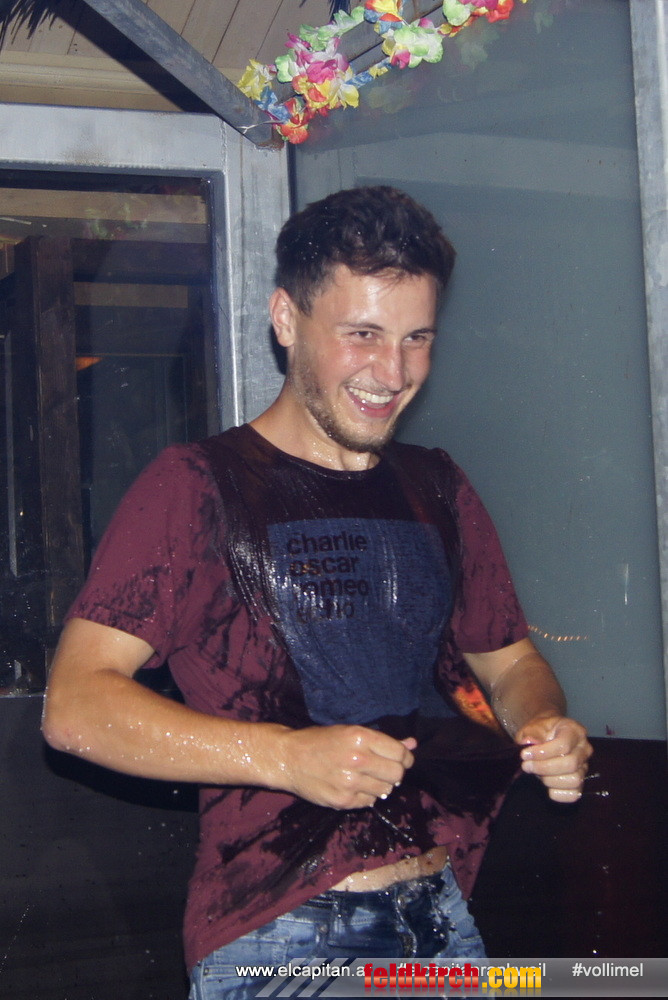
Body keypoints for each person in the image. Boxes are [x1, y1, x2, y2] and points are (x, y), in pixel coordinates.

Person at [42, 186, 592, 998]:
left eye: (415, 339)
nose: (393, 372)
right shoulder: (196, 486)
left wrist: (543, 722)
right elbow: (75, 707)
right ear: (286, 320)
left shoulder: (438, 486)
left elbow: (509, 664)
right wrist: (282, 755)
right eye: (362, 335)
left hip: (442, 916)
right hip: (289, 934)